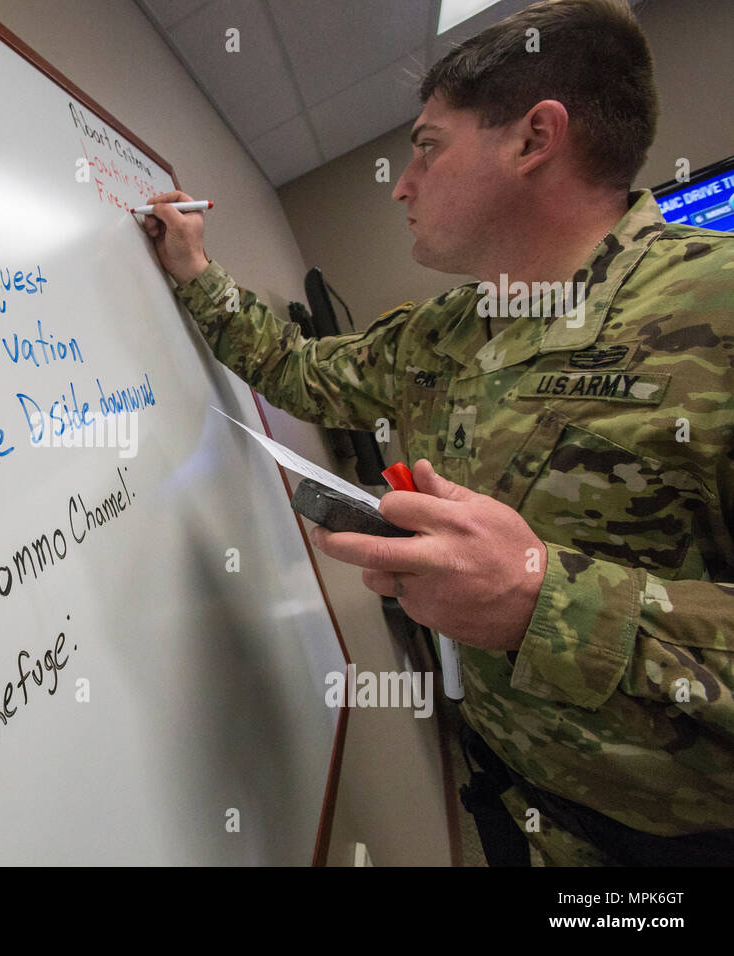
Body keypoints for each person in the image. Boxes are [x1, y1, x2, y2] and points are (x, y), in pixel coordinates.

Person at [141, 0, 734, 866]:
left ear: (535, 140)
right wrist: (194, 270)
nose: (400, 183)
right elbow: (299, 372)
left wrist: (540, 600)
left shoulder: (715, 310)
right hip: (512, 800)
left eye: (427, 146)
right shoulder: (442, 332)